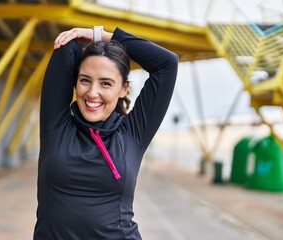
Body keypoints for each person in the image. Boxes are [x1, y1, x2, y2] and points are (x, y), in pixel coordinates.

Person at [34, 26, 178, 239]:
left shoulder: (132, 133)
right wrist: (85, 40)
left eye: (106, 83)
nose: (93, 93)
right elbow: (67, 46)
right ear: (74, 82)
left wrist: (99, 35)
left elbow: (167, 63)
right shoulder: (55, 126)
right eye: (85, 80)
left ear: (123, 89)